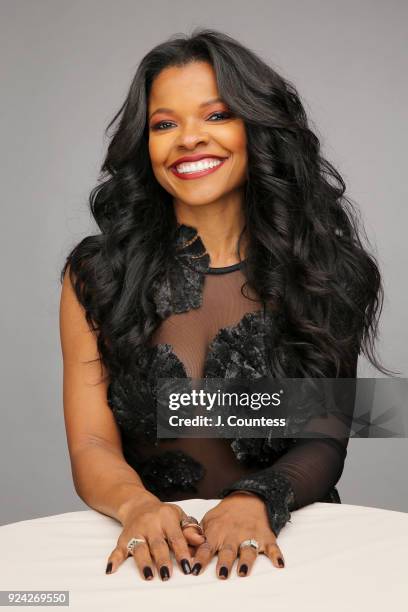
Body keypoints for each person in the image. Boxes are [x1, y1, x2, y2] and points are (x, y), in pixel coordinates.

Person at [59, 28, 391, 583]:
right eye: (165, 124)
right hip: (153, 551)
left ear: (256, 128)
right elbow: (92, 441)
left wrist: (257, 499)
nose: (189, 138)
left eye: (215, 116)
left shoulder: (326, 268)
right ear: (146, 144)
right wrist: (137, 507)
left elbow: (324, 437)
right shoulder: (96, 274)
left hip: (290, 548)